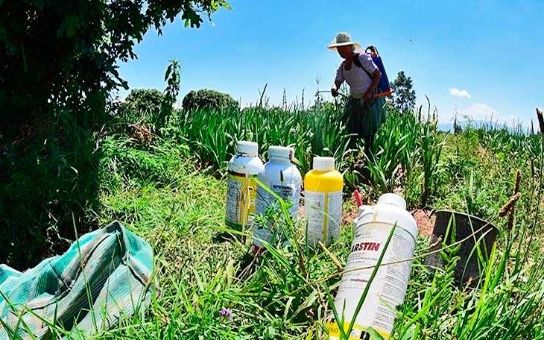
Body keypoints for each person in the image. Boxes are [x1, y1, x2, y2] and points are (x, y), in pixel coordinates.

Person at [328, 32, 386, 158]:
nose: (341, 51)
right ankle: (350, 158)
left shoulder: (362, 58)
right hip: (355, 100)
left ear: (351, 47)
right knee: (351, 129)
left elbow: (377, 75)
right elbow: (338, 80)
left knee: (369, 131)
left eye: (344, 47)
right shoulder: (343, 66)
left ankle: (368, 158)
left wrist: (369, 92)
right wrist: (334, 88)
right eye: (339, 48)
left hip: (370, 99)